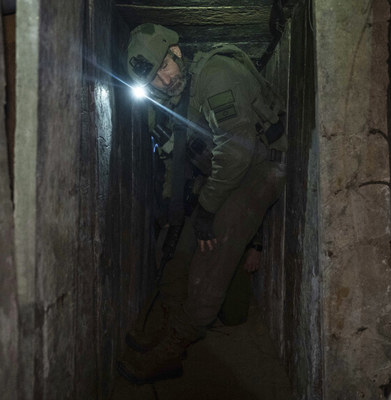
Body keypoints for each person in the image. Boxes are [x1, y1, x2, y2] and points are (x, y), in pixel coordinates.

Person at [117, 23, 287, 384]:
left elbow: (237, 154)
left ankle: (174, 347)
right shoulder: (174, 100)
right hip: (224, 176)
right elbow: (181, 162)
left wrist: (208, 208)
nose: (164, 80)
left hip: (260, 170)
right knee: (177, 256)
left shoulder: (216, 74)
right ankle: (165, 328)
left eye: (165, 67)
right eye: (155, 79)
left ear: (177, 52)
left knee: (211, 260)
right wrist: (182, 210)